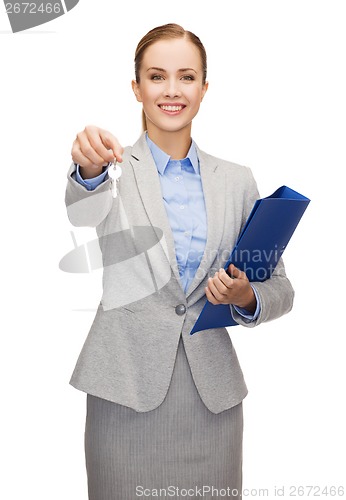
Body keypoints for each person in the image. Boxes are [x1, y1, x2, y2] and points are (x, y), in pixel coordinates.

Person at [65, 23, 294, 500]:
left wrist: (246, 296)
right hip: (125, 391)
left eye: (186, 77)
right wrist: (86, 171)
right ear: (137, 88)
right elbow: (83, 210)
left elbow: (279, 287)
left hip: (212, 401)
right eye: (156, 76)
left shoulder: (236, 180)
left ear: (204, 88)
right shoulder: (111, 166)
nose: (172, 90)